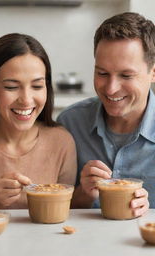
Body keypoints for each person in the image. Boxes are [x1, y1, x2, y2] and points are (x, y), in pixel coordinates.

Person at [0, 33, 77, 209]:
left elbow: (67, 212)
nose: (26, 99)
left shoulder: (61, 142)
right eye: (12, 87)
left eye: (37, 86)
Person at [57, 12, 153, 216]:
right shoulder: (70, 124)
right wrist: (84, 193)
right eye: (102, 73)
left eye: (126, 75)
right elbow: (56, 206)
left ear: (153, 72)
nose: (110, 89)